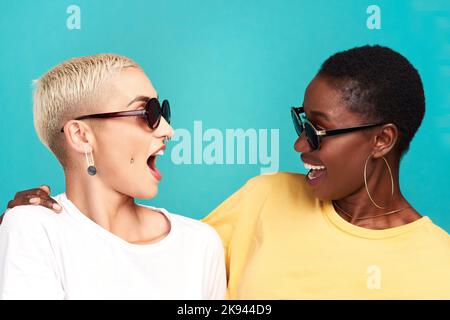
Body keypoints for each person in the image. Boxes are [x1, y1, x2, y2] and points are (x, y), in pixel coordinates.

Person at [4, 45, 450, 299]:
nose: (299, 144)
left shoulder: (441, 264)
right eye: (300, 123)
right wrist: (33, 223)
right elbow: (144, 263)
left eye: (319, 132)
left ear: (382, 140)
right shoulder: (266, 198)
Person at [0, 54, 226, 299]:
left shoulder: (200, 244)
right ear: (81, 136)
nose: (167, 130)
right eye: (145, 112)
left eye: (162, 112)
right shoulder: (33, 229)